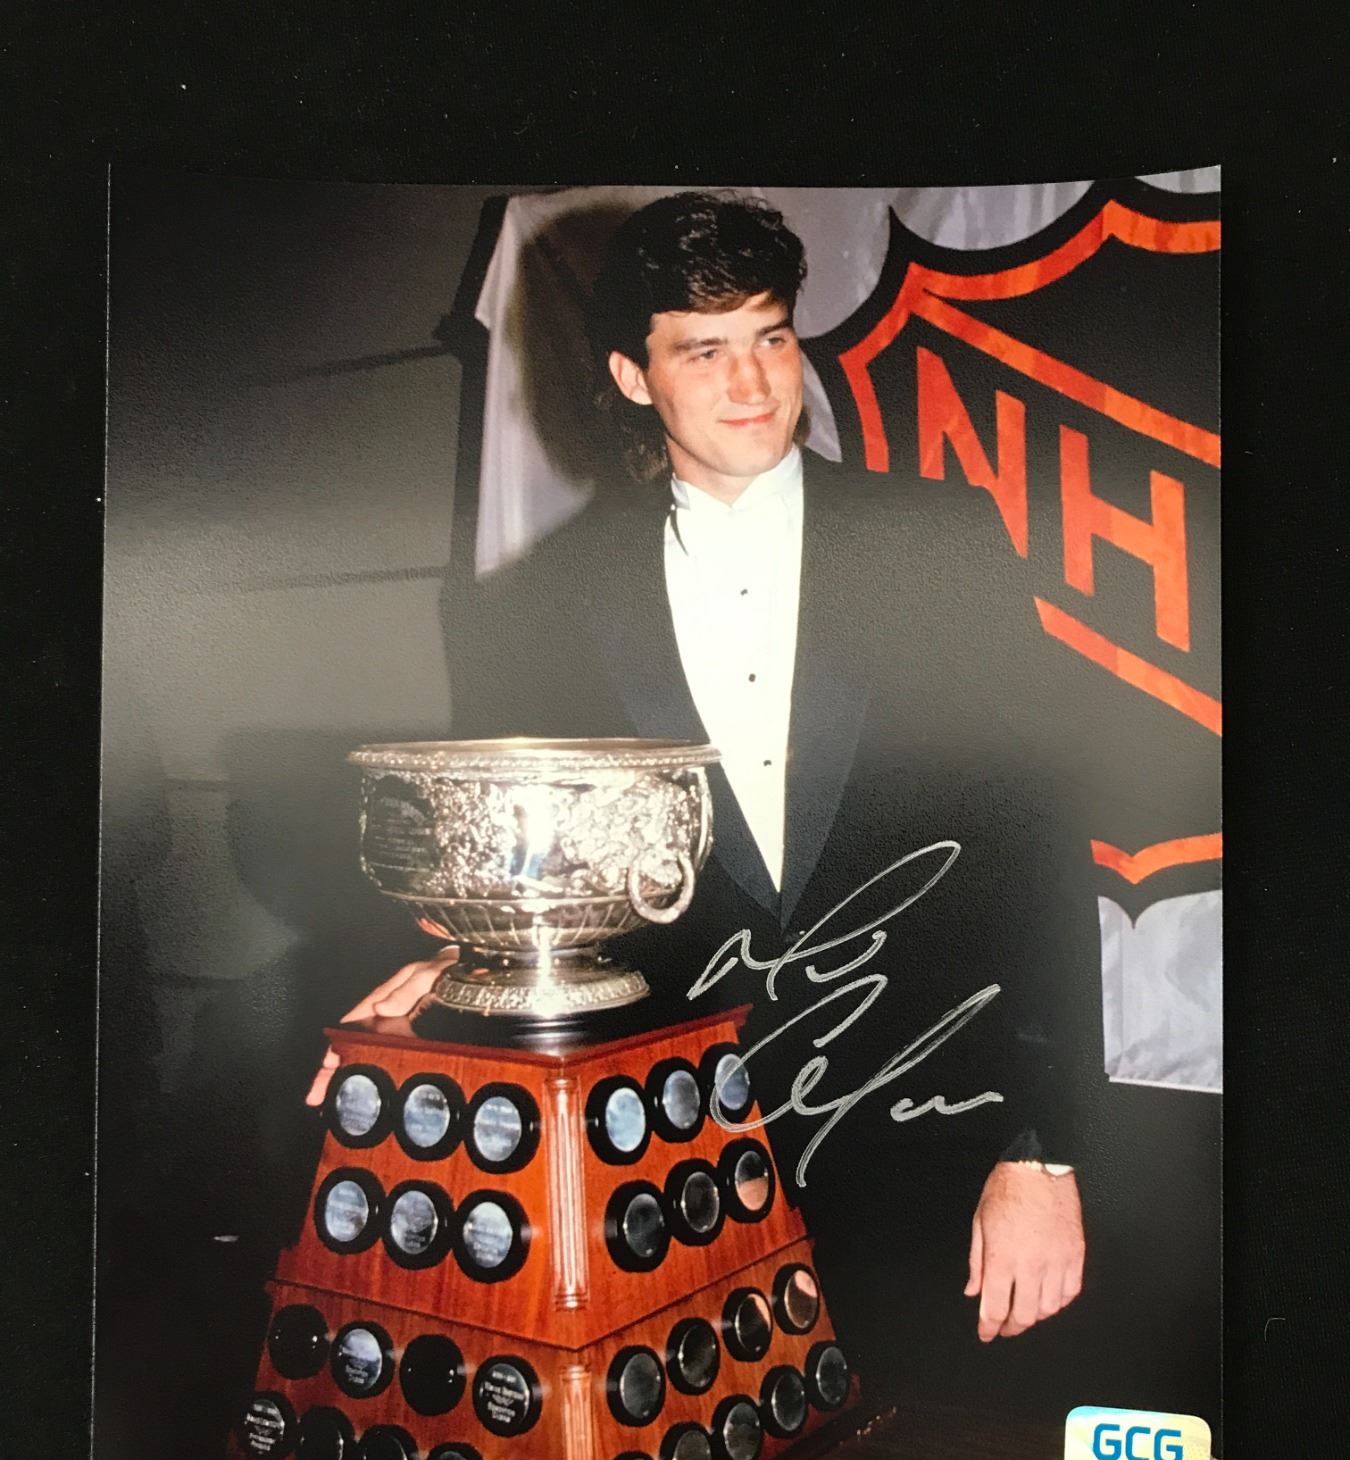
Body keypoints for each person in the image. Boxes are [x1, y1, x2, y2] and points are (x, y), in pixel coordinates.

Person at [306, 191, 1102, 1388]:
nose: (753, 382)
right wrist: (456, 969)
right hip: (675, 1172)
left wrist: (1040, 1151)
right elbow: (536, 866)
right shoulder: (545, 601)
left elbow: (1038, 846)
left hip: (931, 1144)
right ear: (633, 378)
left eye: (771, 336)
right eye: (705, 350)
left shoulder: (940, 542)